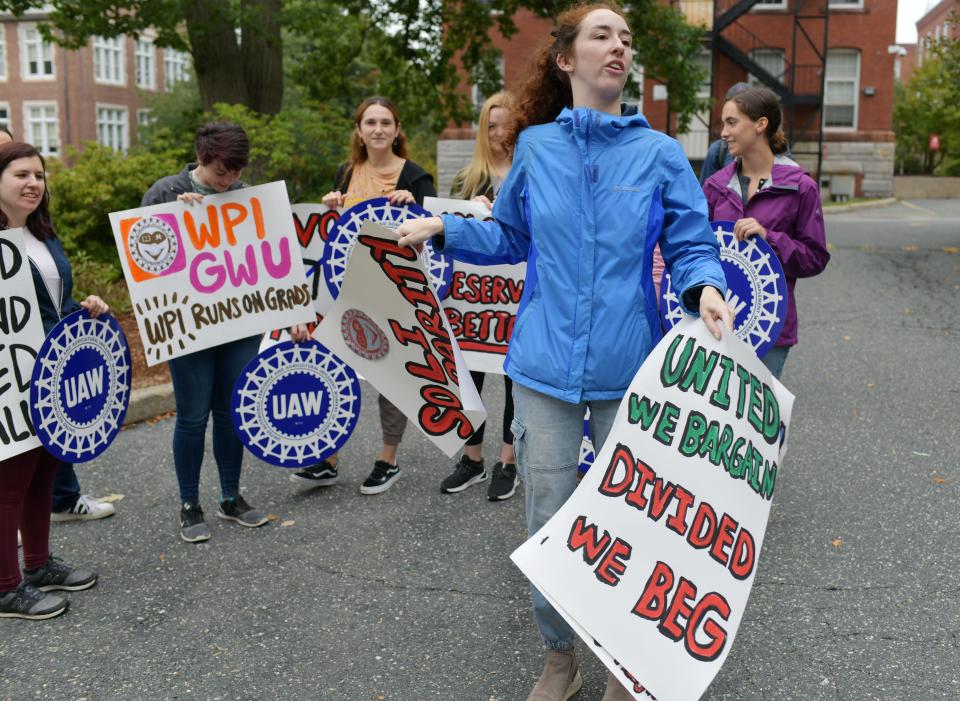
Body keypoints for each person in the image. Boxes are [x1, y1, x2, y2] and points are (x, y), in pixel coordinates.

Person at [397, 4, 732, 699]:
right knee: (550, 519)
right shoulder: (538, 148)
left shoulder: (661, 153)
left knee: (629, 522)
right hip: (543, 367)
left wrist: (704, 286)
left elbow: (693, 242)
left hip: (629, 366)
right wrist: (446, 225)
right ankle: (560, 656)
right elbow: (511, 236)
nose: (619, 47)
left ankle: (621, 658)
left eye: (626, 38)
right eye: (602, 35)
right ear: (566, 58)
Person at [289, 96, 437, 496]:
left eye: (385, 122)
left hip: (395, 291)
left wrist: (415, 207)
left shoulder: (416, 177)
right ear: (359, 130)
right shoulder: (346, 172)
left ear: (397, 129)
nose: (377, 129)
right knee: (337, 369)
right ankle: (329, 457)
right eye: (370, 122)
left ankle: (388, 459)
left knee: (390, 375)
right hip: (346, 290)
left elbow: (435, 240)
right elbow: (335, 234)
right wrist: (330, 208)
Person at [142, 122, 279, 543]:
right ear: (201, 159)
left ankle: (230, 496)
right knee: (192, 416)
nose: (230, 180)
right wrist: (178, 220)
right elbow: (144, 262)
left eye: (236, 172)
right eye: (222, 172)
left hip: (238, 324)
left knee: (230, 412)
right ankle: (189, 503)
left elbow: (269, 256)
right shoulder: (165, 192)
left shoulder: (247, 195)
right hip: (189, 327)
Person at [0, 142, 107, 619]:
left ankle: (38, 564)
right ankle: (5, 587)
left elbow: (51, 301)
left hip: (50, 370)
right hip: (9, 376)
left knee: (45, 470)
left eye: (39, 175)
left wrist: (82, 309)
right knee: (10, 481)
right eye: (21, 174)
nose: (33, 183)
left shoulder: (42, 234)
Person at [702, 87, 829, 379]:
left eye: (732, 123)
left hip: (768, 327)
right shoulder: (714, 186)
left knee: (758, 423)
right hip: (716, 323)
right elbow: (697, 250)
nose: (724, 132)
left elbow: (815, 258)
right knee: (716, 421)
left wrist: (769, 239)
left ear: (761, 124)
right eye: (723, 124)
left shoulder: (800, 187)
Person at [440, 92, 519, 501]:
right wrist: (466, 211)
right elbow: (444, 233)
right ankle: (472, 459)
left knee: (513, 383)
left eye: (505, 123)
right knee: (467, 377)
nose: (498, 132)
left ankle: (508, 461)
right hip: (472, 304)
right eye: (490, 124)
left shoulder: (532, 175)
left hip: (517, 302)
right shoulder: (465, 179)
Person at [698, 82, 751, 185]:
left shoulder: (778, 153)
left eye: (732, 122)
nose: (724, 133)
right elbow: (706, 197)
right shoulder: (717, 152)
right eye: (726, 122)